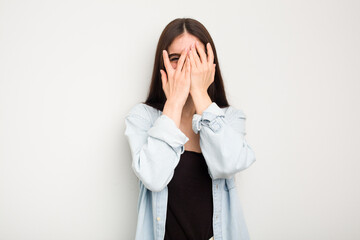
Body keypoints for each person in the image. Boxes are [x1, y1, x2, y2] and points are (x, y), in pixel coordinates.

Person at [124, 18, 256, 240]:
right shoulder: (143, 117)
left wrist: (201, 95)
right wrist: (174, 102)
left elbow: (229, 164)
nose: (186, 65)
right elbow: (153, 178)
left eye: (195, 57)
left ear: (209, 64)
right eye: (176, 58)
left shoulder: (229, 118)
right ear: (163, 64)